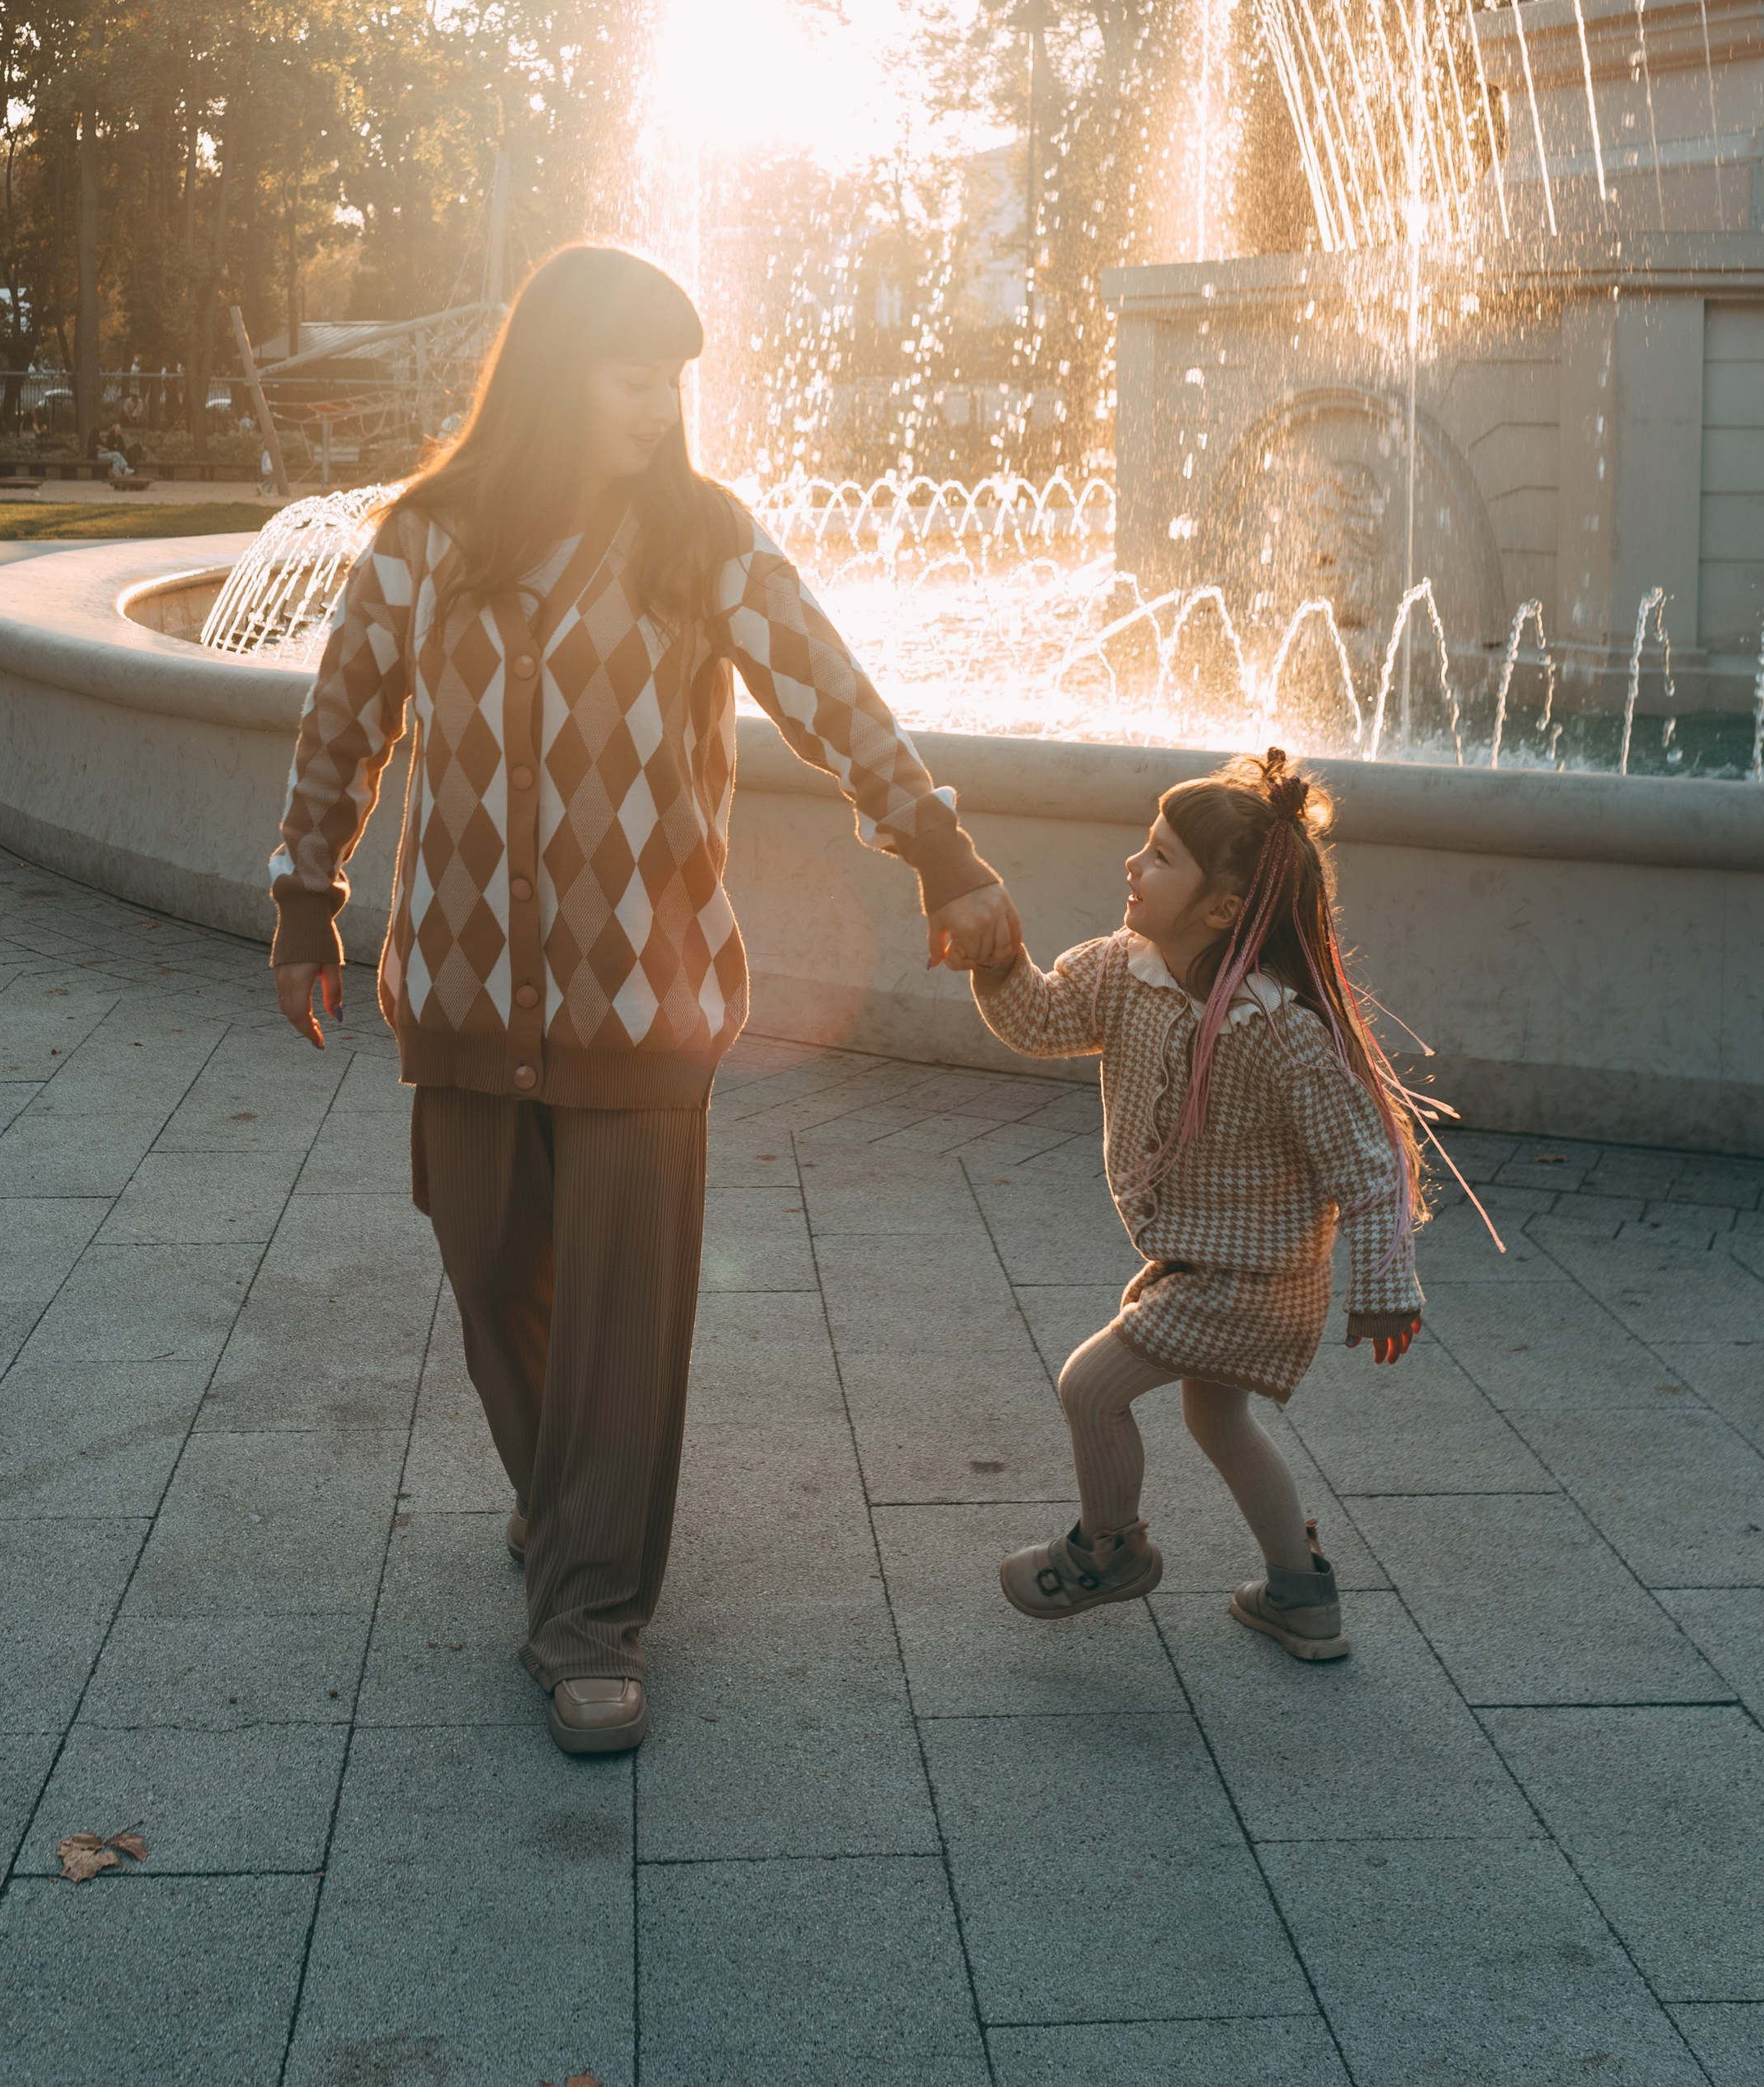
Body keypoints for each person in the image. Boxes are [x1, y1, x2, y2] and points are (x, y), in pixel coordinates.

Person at [268, 244, 1018, 1752]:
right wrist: (306, 899)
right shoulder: (427, 538)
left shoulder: (700, 537)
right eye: (633, 378)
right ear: (558, 376)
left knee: (622, 1313)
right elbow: (343, 718)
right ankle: (569, 1498)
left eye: (676, 380)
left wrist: (942, 853)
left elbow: (831, 692)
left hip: (645, 999)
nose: (663, 407)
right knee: (490, 1265)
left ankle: (591, 1610)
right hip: (463, 984)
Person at [949, 749, 1428, 1662]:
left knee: (1090, 1385)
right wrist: (998, 960)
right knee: (1218, 1419)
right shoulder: (1121, 968)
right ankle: (1300, 1595)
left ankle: (1109, 1551)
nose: (1134, 863)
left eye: (1162, 856)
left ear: (1220, 909)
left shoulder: (1277, 1028)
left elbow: (1369, 1163)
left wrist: (1384, 1286)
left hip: (1254, 1278)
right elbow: (1040, 1020)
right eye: (1146, 843)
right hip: (1200, 1263)